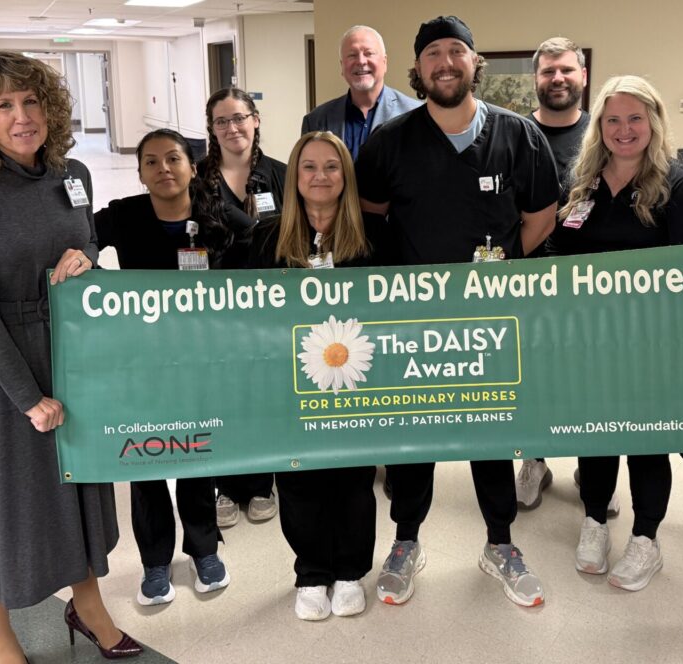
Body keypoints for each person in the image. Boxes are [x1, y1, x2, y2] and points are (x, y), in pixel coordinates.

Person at [0, 51, 141, 663]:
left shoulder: (70, 172)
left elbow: (89, 239)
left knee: (74, 489)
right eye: (5, 105)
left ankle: (89, 607)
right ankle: (0, 638)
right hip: (0, 365)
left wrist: (83, 261)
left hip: (69, 352)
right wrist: (27, 396)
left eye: (31, 102)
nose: (22, 116)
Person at [356, 15, 559, 608]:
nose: (445, 63)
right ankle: (405, 542)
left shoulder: (519, 136)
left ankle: (501, 543)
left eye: (457, 51)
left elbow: (541, 216)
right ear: (418, 70)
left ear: (475, 63)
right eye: (433, 54)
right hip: (415, 322)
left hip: (492, 320)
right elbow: (370, 217)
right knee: (414, 436)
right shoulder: (391, 141)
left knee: (491, 431)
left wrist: (498, 273)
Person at [552, 74, 683, 591]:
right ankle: (594, 521)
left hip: (652, 345)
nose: (624, 130)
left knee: (647, 442)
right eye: (613, 119)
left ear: (654, 122)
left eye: (635, 119)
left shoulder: (680, 186)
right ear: (599, 124)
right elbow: (558, 249)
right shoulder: (583, 182)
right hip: (591, 341)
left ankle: (646, 539)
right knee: (594, 433)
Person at [251, 131, 390, 621]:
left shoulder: (376, 236)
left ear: (346, 176)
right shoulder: (266, 238)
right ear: (295, 176)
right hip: (293, 382)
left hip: (357, 381)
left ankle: (351, 570)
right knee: (300, 479)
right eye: (308, 167)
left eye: (332, 167)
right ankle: (311, 571)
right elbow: (244, 314)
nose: (320, 176)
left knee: (353, 478)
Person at [94, 129, 231, 606]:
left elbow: (253, 271)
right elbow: (76, 243)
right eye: (151, 162)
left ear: (193, 167)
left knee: (197, 450)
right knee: (145, 451)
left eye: (173, 159)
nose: (164, 169)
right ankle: (154, 560)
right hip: (143, 358)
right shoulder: (124, 216)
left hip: (201, 358)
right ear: (140, 174)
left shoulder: (219, 219)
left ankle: (204, 549)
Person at [517, 36, 619, 519]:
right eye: (547, 72)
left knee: (589, 381)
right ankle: (534, 461)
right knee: (534, 379)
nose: (557, 79)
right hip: (531, 281)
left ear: (583, 77)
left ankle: (591, 466)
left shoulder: (603, 135)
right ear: (534, 79)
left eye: (566, 71)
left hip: (590, 287)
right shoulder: (516, 133)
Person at [195, 87, 287, 528]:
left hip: (267, 309)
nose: (232, 128)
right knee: (223, 395)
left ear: (255, 120)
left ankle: (261, 482)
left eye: (239, 118)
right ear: (211, 129)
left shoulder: (282, 175)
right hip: (215, 311)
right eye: (221, 121)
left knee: (263, 395)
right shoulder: (197, 181)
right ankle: (224, 484)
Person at [301, 25, 422, 159]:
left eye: (369, 53)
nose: (361, 61)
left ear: (384, 62)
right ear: (342, 66)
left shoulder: (416, 116)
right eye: (352, 55)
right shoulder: (316, 121)